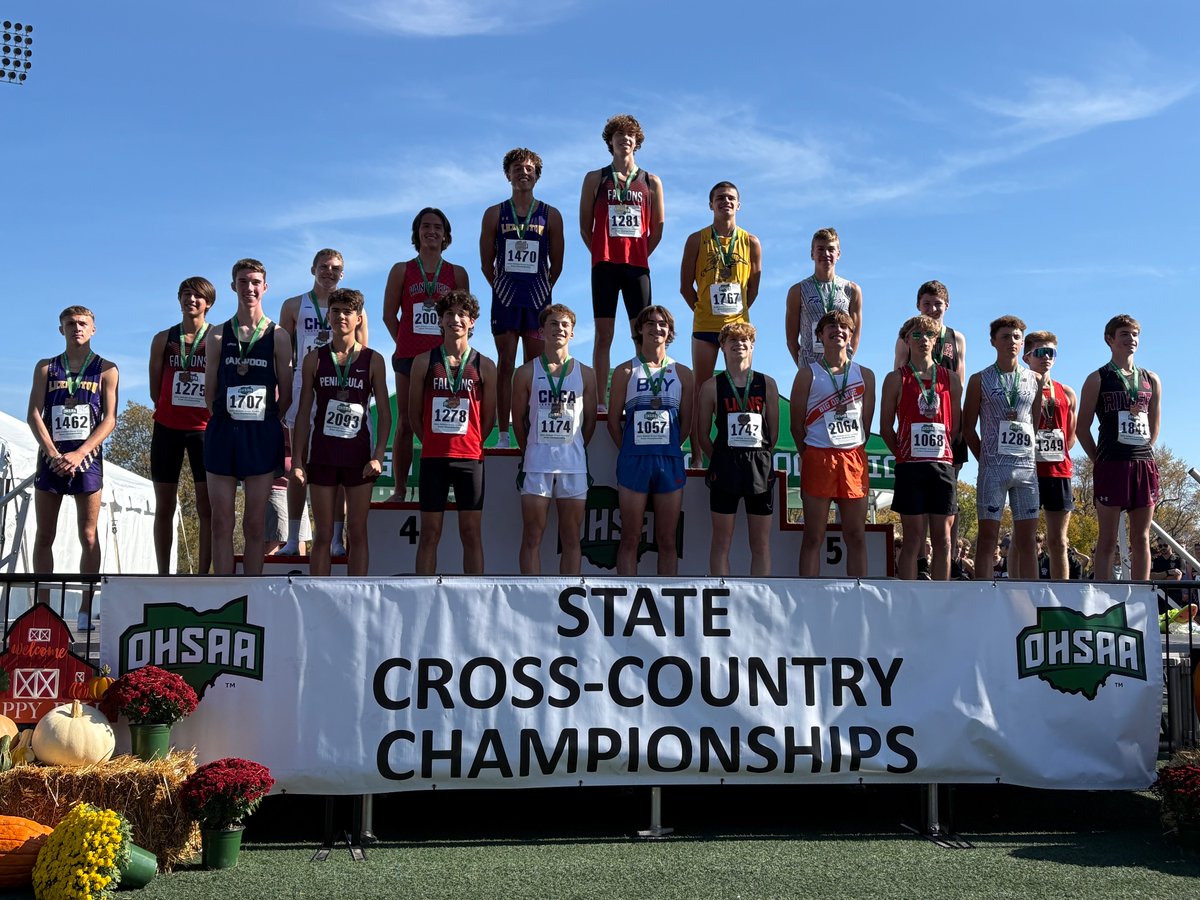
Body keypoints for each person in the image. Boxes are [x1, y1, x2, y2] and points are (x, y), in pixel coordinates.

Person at [27, 306, 119, 631]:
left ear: (93, 329)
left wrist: (80, 453)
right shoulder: (46, 368)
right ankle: (43, 610)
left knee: (89, 534)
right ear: (61, 329)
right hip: (51, 460)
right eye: (70, 324)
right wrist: (52, 452)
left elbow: (110, 419)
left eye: (82, 324)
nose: (76, 328)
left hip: (88, 461)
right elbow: (34, 414)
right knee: (44, 535)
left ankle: (84, 609)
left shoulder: (106, 369)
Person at [291, 289, 391, 576]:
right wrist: (297, 461)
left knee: (356, 532)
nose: (340, 316)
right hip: (322, 455)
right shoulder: (315, 359)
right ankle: (317, 596)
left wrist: (378, 455)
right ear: (329, 317)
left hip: (358, 457)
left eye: (347, 312)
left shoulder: (373, 360)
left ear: (358, 318)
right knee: (323, 535)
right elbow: (302, 414)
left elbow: (384, 412)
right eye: (335, 311)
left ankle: (356, 596)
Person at [204, 259, 292, 576]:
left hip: (261, 433)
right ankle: (224, 594)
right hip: (223, 433)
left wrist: (264, 420)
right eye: (243, 282)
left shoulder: (279, 336)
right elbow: (208, 392)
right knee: (221, 521)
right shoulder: (215, 336)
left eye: (255, 282)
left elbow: (287, 394)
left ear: (265, 287)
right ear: (233, 287)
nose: (249, 288)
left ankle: (251, 593)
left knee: (255, 522)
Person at [278, 249, 366, 557]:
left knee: (339, 464)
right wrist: (284, 394)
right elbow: (283, 356)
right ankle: (293, 537)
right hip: (305, 384)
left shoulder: (354, 309)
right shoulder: (293, 305)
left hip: (339, 388)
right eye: (324, 267)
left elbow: (363, 354)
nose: (329, 272)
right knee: (298, 464)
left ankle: (335, 539)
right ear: (313, 268)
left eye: (336, 268)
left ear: (343, 273)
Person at [579, 114, 666, 411]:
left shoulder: (651, 181)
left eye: (630, 135)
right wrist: (602, 251)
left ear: (637, 142)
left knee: (642, 335)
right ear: (610, 142)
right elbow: (584, 225)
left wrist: (638, 253)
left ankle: (642, 394)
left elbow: (658, 228)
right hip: (604, 264)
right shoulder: (595, 178)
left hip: (637, 267)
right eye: (618, 135)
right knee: (604, 335)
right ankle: (601, 402)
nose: (624, 139)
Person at [383, 208, 470, 501]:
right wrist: (406, 341)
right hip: (408, 357)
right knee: (406, 422)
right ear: (416, 233)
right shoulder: (401, 270)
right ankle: (398, 489)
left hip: (444, 359)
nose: (431, 231)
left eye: (437, 227)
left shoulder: (456, 273)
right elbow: (388, 315)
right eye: (425, 226)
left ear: (446, 235)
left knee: (441, 422)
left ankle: (444, 487)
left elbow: (465, 316)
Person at [480, 148, 565, 449]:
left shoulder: (550, 214)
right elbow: (485, 262)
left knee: (533, 367)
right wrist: (503, 287)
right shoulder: (494, 213)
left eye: (529, 168)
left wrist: (540, 290)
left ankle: (530, 433)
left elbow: (558, 263)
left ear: (537, 175)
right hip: (504, 299)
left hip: (538, 301)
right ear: (508, 174)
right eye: (517, 168)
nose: (523, 172)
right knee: (506, 364)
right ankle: (503, 434)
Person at [409, 290, 496, 575]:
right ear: (441, 320)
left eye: (462, 315)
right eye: (449, 314)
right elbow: (413, 413)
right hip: (433, 457)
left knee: (471, 533)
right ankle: (423, 596)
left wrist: (470, 442)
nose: (455, 320)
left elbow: (489, 416)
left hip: (470, 458)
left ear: (472, 322)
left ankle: (475, 599)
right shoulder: (424, 361)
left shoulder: (485, 365)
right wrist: (433, 441)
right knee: (430, 533)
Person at [511, 304, 598, 574]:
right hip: (537, 463)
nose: (559, 329)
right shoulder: (525, 372)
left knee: (571, 538)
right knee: (531, 536)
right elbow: (519, 420)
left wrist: (574, 449)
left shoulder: (586, 373)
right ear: (541, 331)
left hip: (573, 464)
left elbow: (590, 422)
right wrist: (531, 451)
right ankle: (530, 598)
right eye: (553, 324)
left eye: (564, 325)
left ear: (572, 333)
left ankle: (568, 596)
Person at [608, 305, 693, 575]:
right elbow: (613, 421)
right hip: (634, 461)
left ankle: (665, 605)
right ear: (640, 329)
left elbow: (687, 422)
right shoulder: (624, 371)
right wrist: (630, 449)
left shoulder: (683, 373)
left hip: (669, 460)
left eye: (662, 324)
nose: (657, 328)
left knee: (667, 541)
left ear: (669, 332)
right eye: (650, 323)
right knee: (630, 538)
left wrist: (670, 447)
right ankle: (626, 601)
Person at [1076, 314, 1161, 582]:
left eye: (1135, 335)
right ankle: (1105, 599)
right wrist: (1097, 460)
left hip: (1143, 464)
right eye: (1125, 334)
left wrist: (1145, 450)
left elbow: (1155, 424)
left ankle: (1140, 596)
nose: (1131, 340)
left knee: (1142, 537)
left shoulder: (1151, 379)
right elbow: (1081, 428)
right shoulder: (1097, 378)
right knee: (1108, 539)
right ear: (1110, 340)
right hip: (1111, 464)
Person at [790, 310, 875, 577]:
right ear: (819, 335)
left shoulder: (866, 375)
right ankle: (809, 595)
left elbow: (867, 424)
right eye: (831, 327)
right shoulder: (808, 374)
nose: (837, 330)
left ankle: (858, 594)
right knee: (814, 535)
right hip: (819, 456)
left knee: (856, 535)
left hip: (853, 458)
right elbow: (796, 425)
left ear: (851, 335)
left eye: (843, 327)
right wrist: (811, 453)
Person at [680, 182, 762, 450]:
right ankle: (697, 455)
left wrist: (735, 314)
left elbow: (753, 288)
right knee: (701, 389)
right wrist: (704, 309)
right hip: (705, 327)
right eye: (719, 198)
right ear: (710, 204)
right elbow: (685, 286)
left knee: (739, 388)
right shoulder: (696, 239)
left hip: (738, 331)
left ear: (739, 204)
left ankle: (733, 447)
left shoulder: (751, 242)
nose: (725, 202)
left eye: (731, 198)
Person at [962, 316, 1045, 580]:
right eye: (1006, 336)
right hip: (993, 470)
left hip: (1025, 469)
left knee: (1028, 542)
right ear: (993, 342)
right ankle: (984, 596)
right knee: (988, 539)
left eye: (1017, 337)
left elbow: (1035, 422)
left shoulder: (1034, 379)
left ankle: (1030, 601)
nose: (1012, 341)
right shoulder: (980, 379)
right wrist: (984, 458)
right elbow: (967, 427)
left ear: (1023, 343)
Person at [879, 315, 961, 580]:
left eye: (928, 335)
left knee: (943, 539)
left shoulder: (951, 379)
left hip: (941, 465)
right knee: (913, 539)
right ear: (906, 341)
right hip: (910, 467)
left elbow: (955, 427)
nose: (923, 340)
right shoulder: (895, 379)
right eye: (916, 335)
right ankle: (908, 598)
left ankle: (942, 598)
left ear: (936, 341)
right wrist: (903, 455)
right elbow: (885, 428)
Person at [694, 322, 779, 576]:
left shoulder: (768, 384)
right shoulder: (711, 386)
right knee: (721, 541)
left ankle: (760, 598)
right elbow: (701, 433)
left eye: (744, 340)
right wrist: (718, 459)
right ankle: (723, 596)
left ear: (752, 346)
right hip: (725, 466)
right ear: (722, 347)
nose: (739, 344)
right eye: (732, 341)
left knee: (761, 543)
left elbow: (772, 432)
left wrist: (761, 455)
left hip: (759, 467)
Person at [148, 276, 215, 574]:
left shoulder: (216, 339)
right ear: (178, 299)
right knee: (164, 506)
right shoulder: (163, 338)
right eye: (186, 294)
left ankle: (203, 574)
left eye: (198, 296)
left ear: (208, 303)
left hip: (204, 430)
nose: (191, 299)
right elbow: (155, 387)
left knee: (207, 508)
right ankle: (164, 573)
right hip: (167, 428)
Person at [1023, 330, 1077, 579]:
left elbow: (1071, 437)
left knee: (1059, 541)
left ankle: (1061, 600)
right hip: (1027, 471)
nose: (1046, 357)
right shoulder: (1020, 388)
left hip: (1058, 470)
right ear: (1027, 357)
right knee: (1024, 540)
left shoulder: (1066, 392)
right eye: (1040, 352)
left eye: (1051, 352)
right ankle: (1022, 595)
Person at [785, 228, 863, 370]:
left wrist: (845, 361)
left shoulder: (852, 290)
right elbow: (791, 339)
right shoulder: (797, 291)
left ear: (838, 254)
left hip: (841, 369)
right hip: (810, 367)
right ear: (812, 254)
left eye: (831, 249)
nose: (826, 254)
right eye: (820, 249)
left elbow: (855, 335)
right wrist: (804, 369)